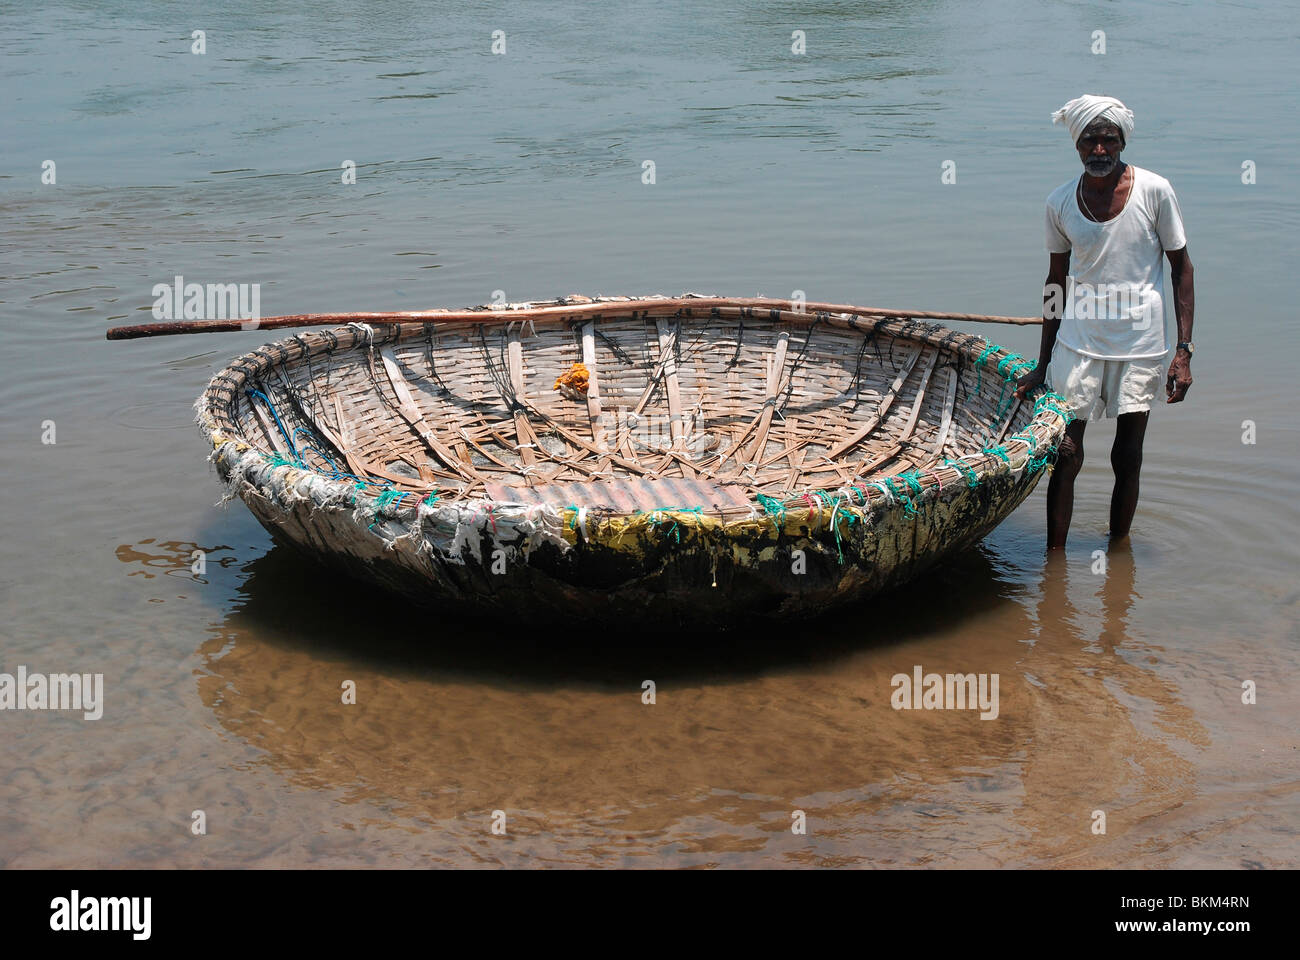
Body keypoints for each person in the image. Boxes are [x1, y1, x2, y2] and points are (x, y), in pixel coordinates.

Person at [1014, 94, 1195, 549]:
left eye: (1108, 140)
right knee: (1065, 453)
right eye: (1090, 141)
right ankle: (1054, 561)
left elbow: (1182, 268)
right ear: (1077, 145)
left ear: (1121, 142)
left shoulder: (1155, 191)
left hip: (1141, 346)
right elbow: (1055, 282)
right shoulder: (1060, 203)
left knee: (1127, 456)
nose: (1099, 150)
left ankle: (1119, 558)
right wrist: (1042, 363)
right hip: (1078, 343)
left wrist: (1183, 351)